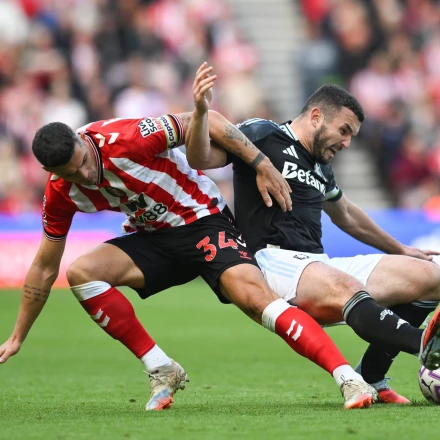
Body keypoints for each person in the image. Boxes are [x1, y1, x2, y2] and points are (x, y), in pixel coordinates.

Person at [0, 64, 378, 412]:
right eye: (71, 173)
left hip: (204, 221)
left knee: (258, 302)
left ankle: (348, 379)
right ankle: (161, 368)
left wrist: (261, 163)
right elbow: (44, 267)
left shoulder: (127, 138)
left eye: (83, 161)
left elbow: (211, 120)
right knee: (82, 273)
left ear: (81, 141)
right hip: (154, 237)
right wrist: (18, 336)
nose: (84, 174)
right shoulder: (61, 193)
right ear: (51, 171)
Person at [186, 74, 440, 404]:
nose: (347, 143)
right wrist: (201, 112)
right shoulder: (264, 134)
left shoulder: (321, 166)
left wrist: (402, 250)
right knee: (346, 286)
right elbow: (200, 158)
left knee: (431, 276)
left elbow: (347, 216)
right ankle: (427, 346)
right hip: (271, 262)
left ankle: (372, 376)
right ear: (317, 116)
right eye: (344, 131)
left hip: (316, 263)